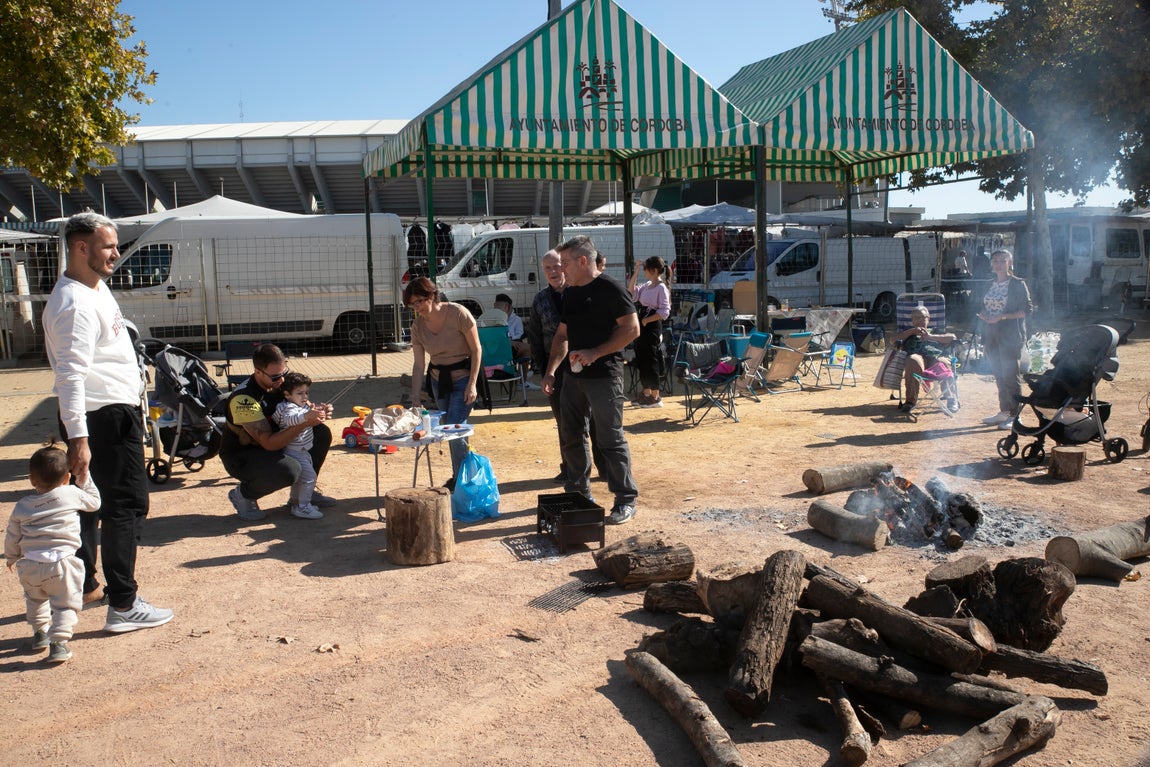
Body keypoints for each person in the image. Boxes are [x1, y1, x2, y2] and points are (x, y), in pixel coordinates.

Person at [42, 210, 174, 633]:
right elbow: (70, 376)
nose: (117, 253)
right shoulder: (74, 304)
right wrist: (79, 438)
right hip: (103, 420)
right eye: (109, 246)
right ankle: (124, 603)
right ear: (81, 248)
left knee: (92, 505)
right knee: (127, 506)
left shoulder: (93, 287)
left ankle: (87, 586)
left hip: (108, 414)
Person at [542, 235, 639, 525]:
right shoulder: (571, 293)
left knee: (610, 438)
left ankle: (625, 499)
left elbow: (632, 330)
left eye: (566, 263)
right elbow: (562, 335)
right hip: (572, 377)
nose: (562, 269)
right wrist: (550, 370)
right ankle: (579, 494)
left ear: (583, 261)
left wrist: (595, 352)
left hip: (605, 376)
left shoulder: (611, 289)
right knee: (570, 435)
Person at [5, 444, 102, 662]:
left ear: (31, 479)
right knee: (65, 604)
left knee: (35, 599)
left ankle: (39, 634)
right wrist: (86, 478)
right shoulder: (70, 494)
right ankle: (58, 643)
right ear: (67, 477)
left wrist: (11, 557)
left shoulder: (22, 505)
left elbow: (12, 534)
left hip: (29, 565)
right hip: (62, 563)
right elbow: (95, 503)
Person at [220, 344, 335, 520]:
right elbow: (269, 443)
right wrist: (304, 421)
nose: (281, 380)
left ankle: (302, 495)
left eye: (284, 373)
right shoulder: (244, 399)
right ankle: (243, 495)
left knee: (320, 433)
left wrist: (315, 411)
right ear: (258, 372)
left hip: (278, 442)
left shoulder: (283, 381)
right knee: (288, 470)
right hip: (244, 454)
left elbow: (301, 406)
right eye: (275, 376)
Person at [527, 250, 606, 483]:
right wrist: (544, 372)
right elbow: (535, 336)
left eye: (557, 266)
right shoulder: (540, 299)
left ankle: (603, 466)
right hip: (556, 370)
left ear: (566, 267)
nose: (553, 272)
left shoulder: (581, 292)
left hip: (586, 363)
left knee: (594, 419)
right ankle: (570, 468)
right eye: (547, 268)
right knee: (564, 421)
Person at [406, 276, 483, 488]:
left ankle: (460, 481)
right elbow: (419, 365)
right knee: (447, 432)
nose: (417, 307)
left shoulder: (458, 313)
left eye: (420, 301)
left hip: (463, 378)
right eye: (413, 304)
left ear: (431, 295)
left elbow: (476, 349)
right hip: (439, 381)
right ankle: (462, 474)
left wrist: (472, 384)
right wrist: (415, 396)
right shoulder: (418, 326)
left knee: (454, 430)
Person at [977, 249, 1033, 428]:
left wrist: (1002, 317)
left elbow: (1027, 310)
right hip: (991, 334)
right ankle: (1004, 411)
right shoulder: (989, 284)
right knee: (999, 374)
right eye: (995, 261)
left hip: (1010, 336)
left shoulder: (1018, 284)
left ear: (1010, 263)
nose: (998, 264)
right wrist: (984, 314)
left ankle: (1015, 416)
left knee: (1011, 375)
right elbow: (980, 305)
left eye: (1002, 261)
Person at [272, 372, 323, 520]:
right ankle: (303, 506)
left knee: (301, 479)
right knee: (309, 478)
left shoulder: (299, 407)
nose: (305, 396)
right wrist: (308, 416)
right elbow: (291, 420)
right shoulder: (288, 408)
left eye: (306, 392)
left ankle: (296, 503)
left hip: (301, 450)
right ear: (287, 395)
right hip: (294, 451)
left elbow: (306, 415)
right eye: (299, 393)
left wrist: (319, 411)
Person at [892, 305, 957, 412]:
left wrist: (930, 337)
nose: (921, 320)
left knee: (942, 363)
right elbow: (892, 340)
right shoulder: (908, 334)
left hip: (936, 357)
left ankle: (951, 399)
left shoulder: (935, 331)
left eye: (923, 317)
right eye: (917, 318)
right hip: (918, 359)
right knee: (912, 359)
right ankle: (910, 401)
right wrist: (912, 331)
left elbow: (953, 338)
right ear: (912, 320)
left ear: (928, 318)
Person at [627, 256, 671, 408]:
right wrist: (637, 270)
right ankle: (646, 393)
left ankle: (655, 396)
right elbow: (631, 292)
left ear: (653, 270)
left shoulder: (661, 288)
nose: (644, 271)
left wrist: (648, 320)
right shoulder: (647, 285)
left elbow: (665, 311)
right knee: (642, 359)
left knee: (651, 360)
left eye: (645, 269)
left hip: (651, 326)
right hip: (642, 324)